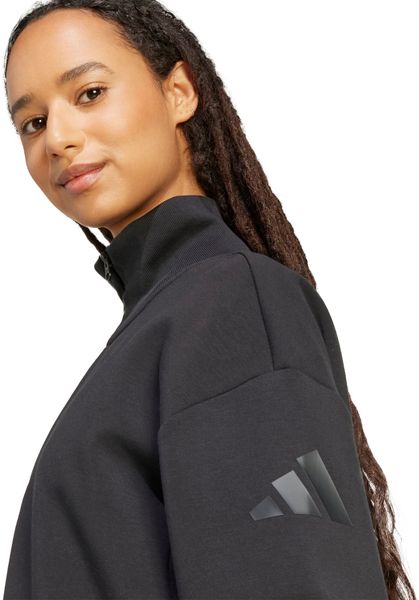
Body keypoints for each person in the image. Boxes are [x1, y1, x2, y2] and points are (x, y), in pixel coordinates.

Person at [2, 1, 415, 599]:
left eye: (90, 93)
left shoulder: (231, 306)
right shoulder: (163, 325)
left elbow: (295, 578)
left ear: (179, 92)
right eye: (33, 123)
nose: (59, 139)